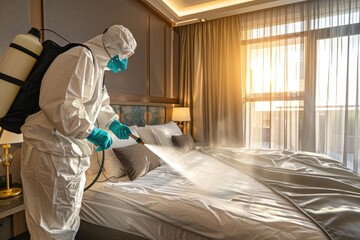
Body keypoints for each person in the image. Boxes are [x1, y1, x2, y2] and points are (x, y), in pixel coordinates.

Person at [20, 25, 137, 240]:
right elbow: (61, 104)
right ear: (111, 48)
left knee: (64, 219)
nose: (124, 61)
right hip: (52, 153)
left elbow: (99, 104)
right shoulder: (79, 57)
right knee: (54, 225)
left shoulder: (96, 65)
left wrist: (112, 123)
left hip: (65, 154)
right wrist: (92, 132)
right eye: (124, 55)